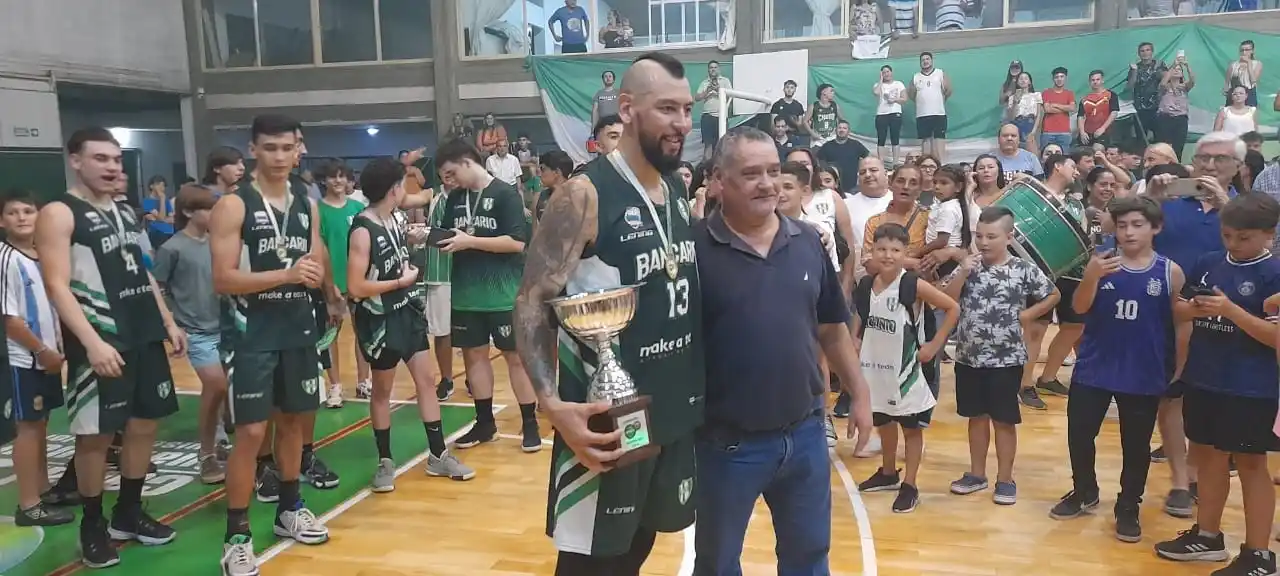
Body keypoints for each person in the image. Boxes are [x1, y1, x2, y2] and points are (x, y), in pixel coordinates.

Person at [513, 51, 705, 576]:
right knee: (593, 560)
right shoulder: (584, 193)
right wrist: (551, 404)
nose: (681, 123)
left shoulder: (674, 191)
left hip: (669, 409)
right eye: (667, 108)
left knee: (637, 546)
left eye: (686, 110)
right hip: (608, 415)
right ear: (627, 108)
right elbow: (531, 302)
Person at [692, 126, 872, 574]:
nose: (767, 183)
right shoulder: (692, 251)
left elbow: (833, 328)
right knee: (716, 564)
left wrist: (861, 395)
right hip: (725, 445)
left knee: (810, 558)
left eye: (773, 171)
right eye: (751, 173)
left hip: (806, 434)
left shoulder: (808, 240)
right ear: (718, 180)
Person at [35, 127, 188, 568]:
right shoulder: (60, 213)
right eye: (100, 158)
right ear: (75, 160)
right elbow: (56, 285)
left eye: (116, 160)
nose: (112, 167)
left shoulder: (123, 210)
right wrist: (92, 342)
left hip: (142, 332)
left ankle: (129, 512)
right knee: (95, 435)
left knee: (143, 426)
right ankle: (92, 524)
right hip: (102, 337)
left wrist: (166, 319)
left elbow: (140, 271)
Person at [208, 114, 330, 576]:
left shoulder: (307, 202)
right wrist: (286, 274)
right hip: (250, 334)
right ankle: (237, 536)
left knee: (296, 423)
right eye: (271, 148)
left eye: (288, 148)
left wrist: (328, 289)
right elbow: (222, 279)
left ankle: (289, 509)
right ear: (252, 150)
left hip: (297, 327)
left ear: (300, 148)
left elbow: (313, 257)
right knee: (253, 434)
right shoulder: (233, 206)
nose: (281, 157)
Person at [1154, 193, 1280, 575]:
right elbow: (1178, 306)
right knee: (1206, 458)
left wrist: (1230, 310)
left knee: (1250, 465)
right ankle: (1207, 536)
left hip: (1250, 387)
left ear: (1268, 235)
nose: (1234, 245)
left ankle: (1259, 554)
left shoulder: (1274, 273)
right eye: (1228, 236)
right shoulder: (1209, 263)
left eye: (1244, 238)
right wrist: (1191, 308)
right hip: (1204, 377)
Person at [1051, 196, 1184, 544]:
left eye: (1137, 225)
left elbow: (1178, 323)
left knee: (1136, 445)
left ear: (1155, 228)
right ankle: (1084, 490)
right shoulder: (1102, 264)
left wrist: (1178, 368)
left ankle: (1128, 505)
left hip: (1143, 370)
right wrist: (1091, 276)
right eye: (1122, 225)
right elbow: (1079, 308)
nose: (1128, 232)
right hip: (1095, 365)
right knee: (1079, 434)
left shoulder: (1169, 271)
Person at [346, 157, 476, 492]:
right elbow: (357, 287)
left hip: (407, 313)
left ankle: (437, 454)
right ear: (394, 189)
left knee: (427, 381)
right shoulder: (363, 229)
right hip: (380, 319)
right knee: (383, 390)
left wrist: (415, 239)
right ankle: (385, 460)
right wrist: (399, 282)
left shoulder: (395, 218)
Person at [943, 206, 1059, 505]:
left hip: (1006, 360)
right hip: (968, 357)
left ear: (1009, 236)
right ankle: (976, 473)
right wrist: (963, 271)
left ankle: (1005, 479)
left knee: (1004, 421)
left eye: (991, 236)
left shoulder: (1023, 269)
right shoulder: (969, 267)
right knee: (975, 418)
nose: (983, 242)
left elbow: (1052, 294)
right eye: (979, 235)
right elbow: (947, 300)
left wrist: (1028, 315)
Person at [435, 138, 542, 453]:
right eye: (444, 176)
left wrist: (471, 241)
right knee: (474, 358)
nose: (448, 181)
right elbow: (448, 237)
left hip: (504, 295)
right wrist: (425, 237)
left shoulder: (505, 194)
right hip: (467, 296)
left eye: (451, 173)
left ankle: (530, 424)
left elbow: (516, 243)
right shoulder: (454, 199)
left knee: (516, 360)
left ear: (468, 162)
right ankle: (485, 424)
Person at [854, 223, 959, 513]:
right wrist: (853, 343)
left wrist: (934, 346)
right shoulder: (866, 284)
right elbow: (860, 320)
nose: (888, 255)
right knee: (883, 421)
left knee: (911, 429)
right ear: (872, 251)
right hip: (876, 366)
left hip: (907, 369)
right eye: (882, 249)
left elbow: (952, 308)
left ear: (905, 253)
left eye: (895, 250)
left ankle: (910, 484)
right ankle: (888, 472)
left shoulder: (911, 283)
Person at [1, 189, 71, 526]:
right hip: (25, 359)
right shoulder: (6, 258)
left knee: (41, 424)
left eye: (28, 211)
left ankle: (43, 489)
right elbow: (10, 319)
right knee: (27, 429)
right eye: (13, 213)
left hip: (47, 357)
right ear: (2, 221)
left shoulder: (42, 255)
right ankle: (28, 506)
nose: (22, 218)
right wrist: (41, 351)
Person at [153, 184, 230, 485]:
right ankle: (206, 454)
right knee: (216, 385)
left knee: (224, 390)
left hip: (225, 328)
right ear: (187, 212)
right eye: (207, 208)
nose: (214, 214)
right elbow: (157, 288)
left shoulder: (218, 243)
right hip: (196, 332)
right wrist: (172, 324)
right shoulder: (172, 248)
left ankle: (221, 440)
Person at [316, 158, 369, 404]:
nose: (338, 181)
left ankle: (363, 381)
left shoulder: (358, 208)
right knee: (331, 335)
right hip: (331, 285)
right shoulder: (317, 210)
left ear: (349, 180)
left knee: (363, 333)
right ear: (324, 180)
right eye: (332, 176)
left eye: (342, 176)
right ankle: (335, 386)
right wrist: (329, 284)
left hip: (357, 282)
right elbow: (317, 249)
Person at [423, 172, 458, 401]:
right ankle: (446, 379)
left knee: (469, 330)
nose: (449, 175)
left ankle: (473, 377)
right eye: (444, 170)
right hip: (439, 272)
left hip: (467, 272)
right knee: (442, 331)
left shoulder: (472, 199)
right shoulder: (432, 196)